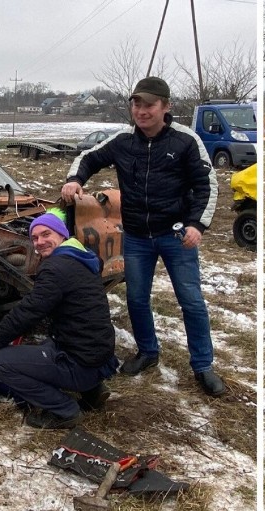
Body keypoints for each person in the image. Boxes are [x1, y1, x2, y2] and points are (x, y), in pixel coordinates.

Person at [61, 76, 225, 397]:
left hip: (177, 236)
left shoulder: (185, 141)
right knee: (136, 299)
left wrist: (197, 225)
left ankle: (203, 366)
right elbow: (89, 158)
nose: (141, 110)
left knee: (190, 301)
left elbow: (207, 184)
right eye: (136, 104)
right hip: (136, 237)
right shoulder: (123, 141)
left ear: (166, 107)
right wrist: (74, 179)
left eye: (149, 104)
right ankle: (148, 352)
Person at [0, 209, 119, 429]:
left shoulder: (55, 268)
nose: (39, 242)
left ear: (62, 235)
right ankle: (93, 391)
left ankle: (64, 410)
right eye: (34, 238)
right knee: (48, 342)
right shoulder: (81, 258)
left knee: (1, 362)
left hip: (80, 362)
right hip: (99, 355)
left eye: (46, 234)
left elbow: (28, 312)